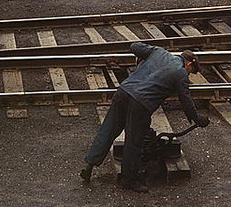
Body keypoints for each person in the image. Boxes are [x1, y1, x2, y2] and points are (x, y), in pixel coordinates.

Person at [81, 43, 208, 192]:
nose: (189, 75)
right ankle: (129, 180)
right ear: (189, 63)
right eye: (191, 71)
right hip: (140, 103)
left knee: (108, 130)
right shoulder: (180, 73)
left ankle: (89, 166)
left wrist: (140, 61)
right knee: (134, 141)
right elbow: (186, 101)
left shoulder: (159, 52)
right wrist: (198, 119)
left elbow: (134, 46)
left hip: (123, 92)